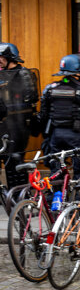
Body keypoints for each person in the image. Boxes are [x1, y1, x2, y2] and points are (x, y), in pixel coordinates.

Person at [39, 54, 80, 178]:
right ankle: (79, 196)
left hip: (56, 135)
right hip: (77, 136)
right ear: (79, 71)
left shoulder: (51, 88)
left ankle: (57, 196)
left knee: (56, 173)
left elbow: (43, 116)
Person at [0, 43, 39, 188]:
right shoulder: (2, 74)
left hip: (18, 124)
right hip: (4, 124)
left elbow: (29, 98)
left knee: (14, 159)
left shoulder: (24, 74)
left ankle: (17, 193)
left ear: (10, 57)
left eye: (1, 57)